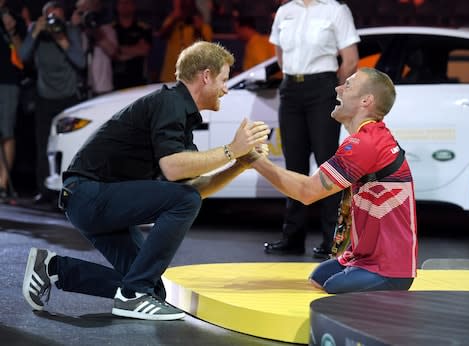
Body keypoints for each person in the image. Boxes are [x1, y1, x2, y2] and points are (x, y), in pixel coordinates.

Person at [22, 41, 270, 320]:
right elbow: (174, 171)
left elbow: (193, 188)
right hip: (87, 195)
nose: (226, 88)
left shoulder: (180, 114)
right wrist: (230, 149)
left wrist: (239, 164)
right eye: (224, 79)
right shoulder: (170, 102)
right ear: (206, 76)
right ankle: (132, 295)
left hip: (98, 199)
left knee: (154, 290)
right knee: (145, 280)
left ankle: (54, 268)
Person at [249, 67, 418, 293]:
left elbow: (306, 192)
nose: (337, 88)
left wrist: (252, 159)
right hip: (364, 258)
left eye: (347, 85)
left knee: (331, 287)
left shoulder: (364, 144)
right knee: (319, 277)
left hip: (388, 268)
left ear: (366, 101)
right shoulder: (370, 137)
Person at [265, 0, 360, 258]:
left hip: (323, 88)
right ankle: (292, 237)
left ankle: (332, 240)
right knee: (293, 165)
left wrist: (331, 89)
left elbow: (350, 60)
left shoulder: (335, 9)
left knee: (327, 166)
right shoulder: (285, 12)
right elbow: (281, 57)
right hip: (290, 91)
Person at [20, 1, 85, 205]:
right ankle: (44, 190)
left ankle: (69, 191)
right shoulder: (36, 32)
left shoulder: (69, 31)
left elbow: (81, 62)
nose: (53, 22)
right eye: (49, 18)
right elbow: (22, 57)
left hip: (68, 98)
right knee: (43, 145)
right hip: (44, 96)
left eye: (57, 17)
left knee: (70, 145)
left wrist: (62, 39)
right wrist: (34, 31)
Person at [0, 0, 25, 201]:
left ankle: (2, 184)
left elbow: (23, 56)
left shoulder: (14, 19)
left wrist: (12, 31)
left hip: (7, 81)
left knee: (6, 131)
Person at [157, 0, 213, 82]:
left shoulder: (203, 27)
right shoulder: (172, 21)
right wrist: (175, 19)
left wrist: (198, 29)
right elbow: (161, 36)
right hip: (170, 76)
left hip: (192, 79)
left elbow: (206, 49)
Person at [71, 0, 118, 95]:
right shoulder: (73, 32)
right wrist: (73, 27)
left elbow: (113, 52)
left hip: (103, 87)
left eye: (88, 9)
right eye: (82, 11)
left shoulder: (106, 29)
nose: (85, 14)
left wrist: (94, 30)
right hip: (78, 89)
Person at [112, 0, 152, 90]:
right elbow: (112, 52)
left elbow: (144, 50)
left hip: (138, 78)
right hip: (115, 80)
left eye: (127, 2)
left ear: (134, 6)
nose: (124, 5)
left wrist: (119, 50)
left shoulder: (143, 28)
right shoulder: (111, 29)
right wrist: (134, 49)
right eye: (121, 3)